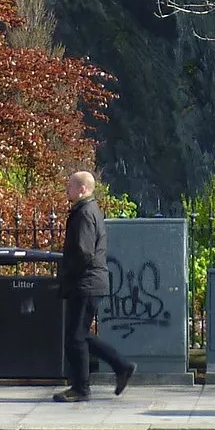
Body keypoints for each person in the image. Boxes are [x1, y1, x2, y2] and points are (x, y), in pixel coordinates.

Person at [54, 170, 134, 402]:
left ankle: (82, 387)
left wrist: (68, 274)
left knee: (75, 337)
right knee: (78, 335)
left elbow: (84, 252)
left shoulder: (84, 213)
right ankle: (120, 366)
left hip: (85, 282)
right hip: (89, 281)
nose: (66, 189)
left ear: (82, 189)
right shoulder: (89, 211)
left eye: (70, 185)